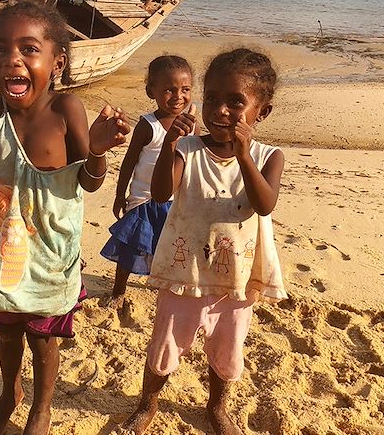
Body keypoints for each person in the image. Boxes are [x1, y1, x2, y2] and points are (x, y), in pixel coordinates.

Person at [0, 0, 130, 434]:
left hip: (49, 251)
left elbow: (90, 181)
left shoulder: (66, 111)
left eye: (28, 49)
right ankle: (9, 395)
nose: (12, 61)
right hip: (2, 249)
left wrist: (97, 150)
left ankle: (40, 408)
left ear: (57, 62)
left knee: (43, 336)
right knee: (6, 330)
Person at [120, 48, 287, 435]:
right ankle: (147, 403)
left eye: (236, 102)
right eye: (212, 98)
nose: (221, 110)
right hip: (186, 269)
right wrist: (167, 147)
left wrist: (244, 156)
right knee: (165, 345)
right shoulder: (189, 149)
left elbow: (264, 204)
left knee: (227, 350)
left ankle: (217, 407)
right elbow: (162, 193)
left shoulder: (267, 157)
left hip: (236, 278)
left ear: (262, 112)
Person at [100, 55, 194, 308]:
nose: (178, 97)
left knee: (170, 246)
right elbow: (129, 162)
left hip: (174, 201)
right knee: (131, 245)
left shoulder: (190, 125)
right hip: (143, 199)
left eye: (185, 90)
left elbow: (190, 164)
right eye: (169, 90)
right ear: (151, 91)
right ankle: (119, 290)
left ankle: (166, 285)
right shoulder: (148, 125)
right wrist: (120, 195)